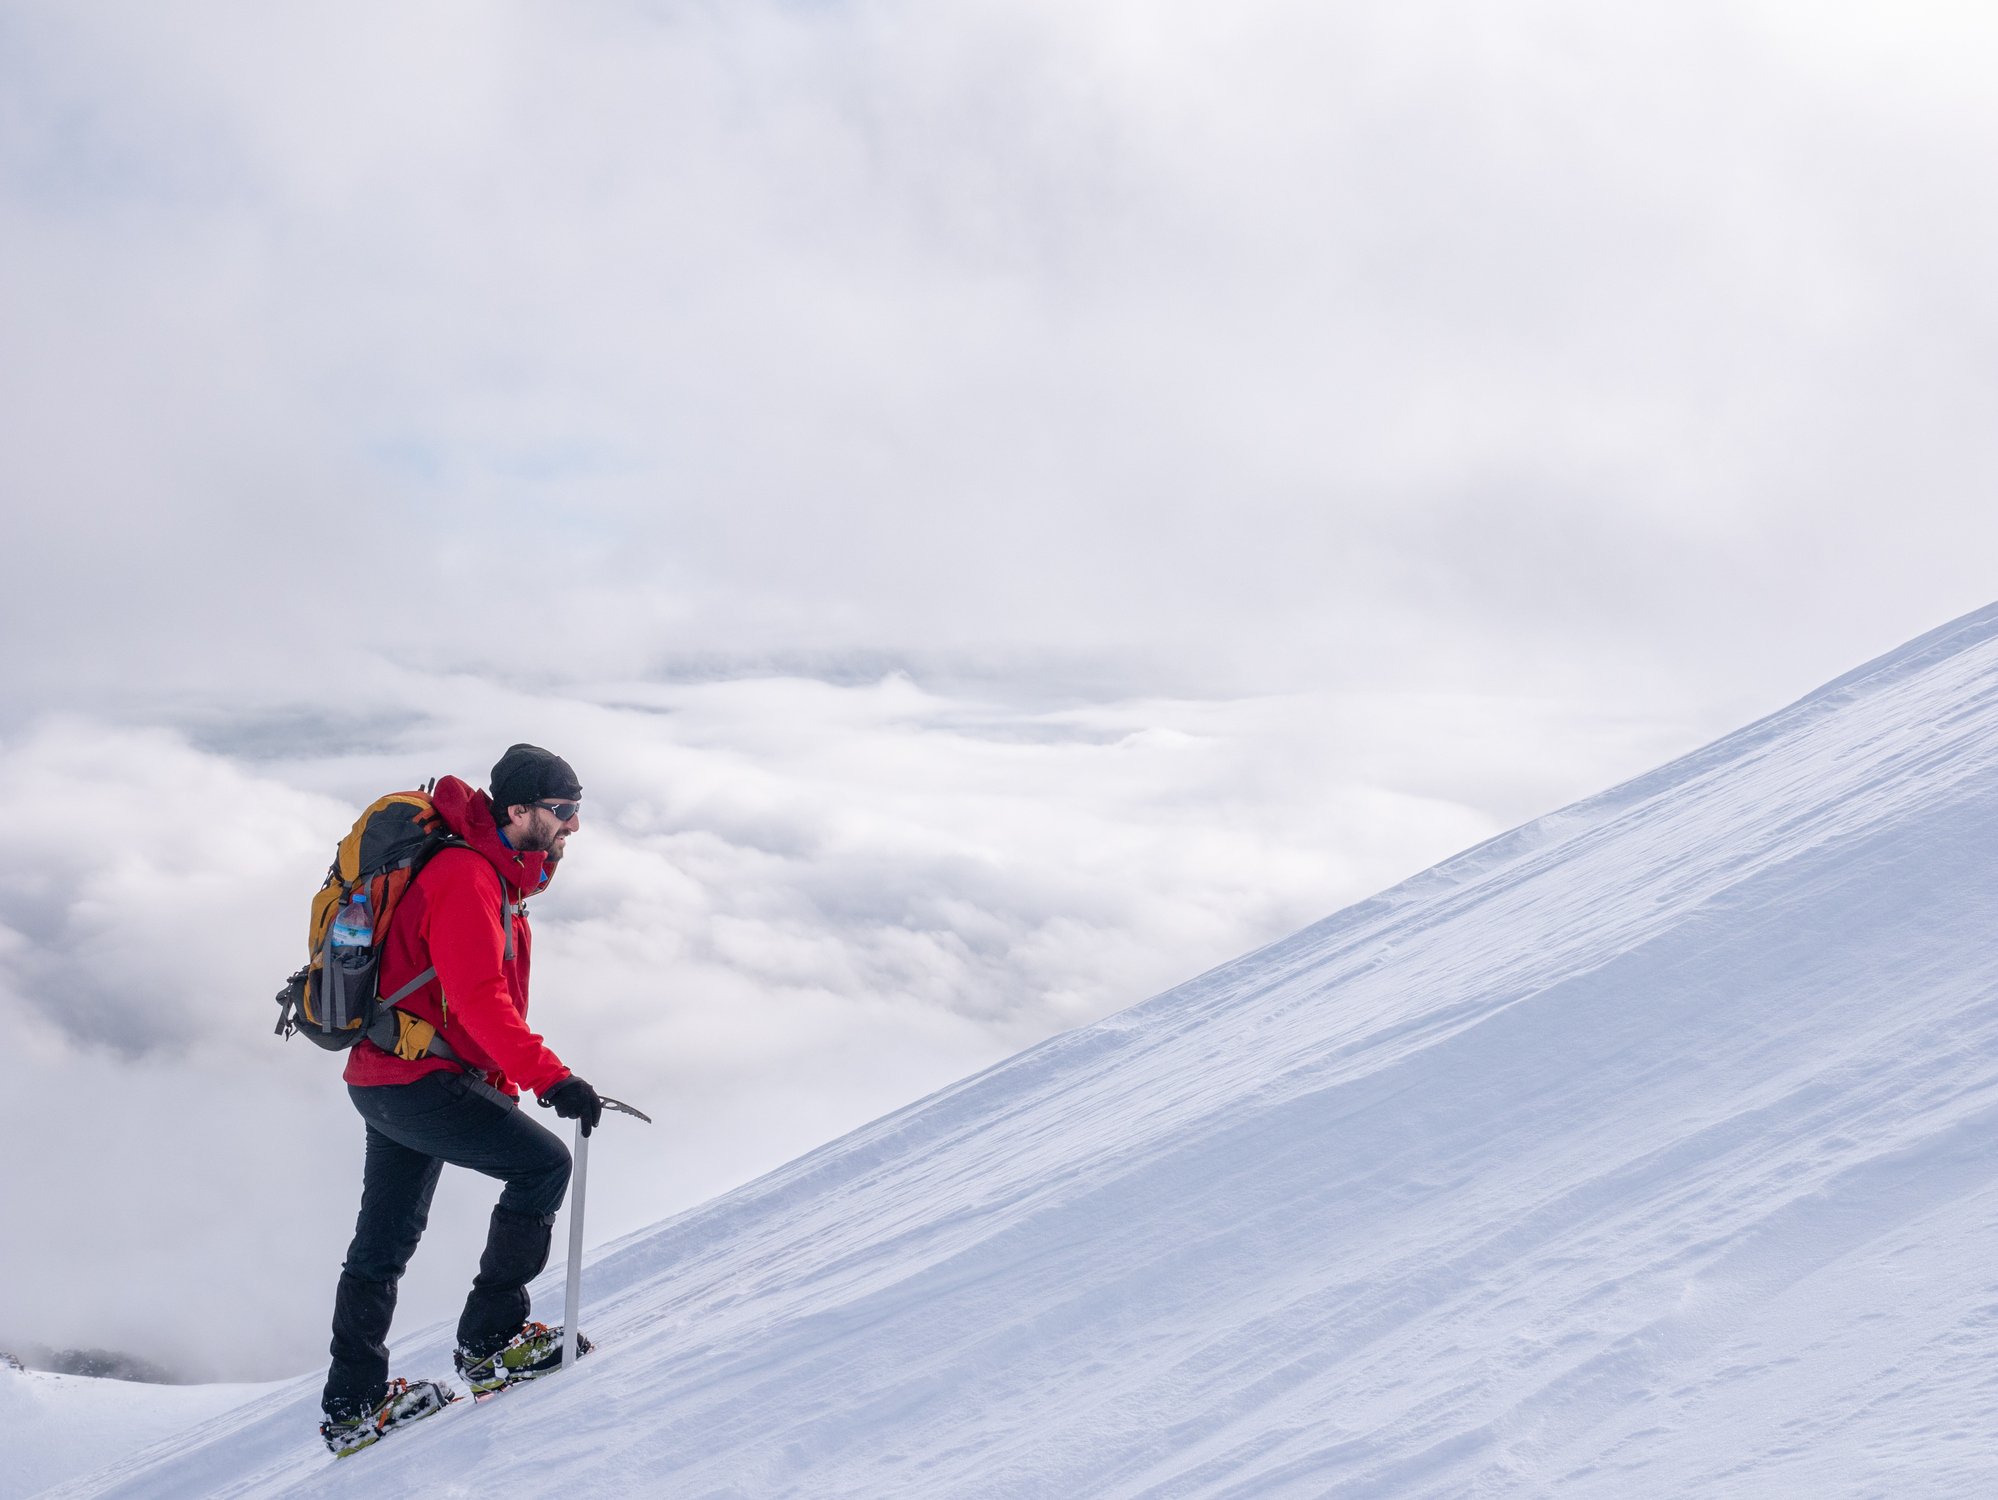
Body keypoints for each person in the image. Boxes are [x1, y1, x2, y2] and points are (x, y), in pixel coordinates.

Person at [319, 743, 605, 1454]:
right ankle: (492, 1343)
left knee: (381, 1242)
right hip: (418, 1085)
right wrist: (551, 1078)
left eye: (576, 811)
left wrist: (506, 1078)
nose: (572, 826)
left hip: (387, 1079)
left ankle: (352, 1406)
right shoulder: (466, 877)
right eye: (562, 812)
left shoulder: (489, 875)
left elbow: (466, 1004)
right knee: (542, 1167)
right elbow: (480, 999)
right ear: (517, 812)